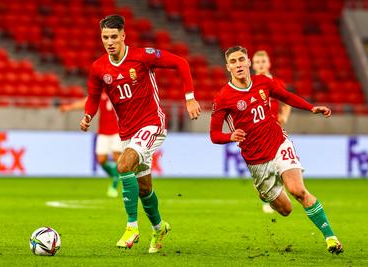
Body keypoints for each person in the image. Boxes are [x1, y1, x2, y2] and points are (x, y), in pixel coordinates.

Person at [79, 15, 201, 253]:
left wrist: (190, 98)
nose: (110, 41)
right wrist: (87, 116)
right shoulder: (98, 68)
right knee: (144, 188)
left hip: (152, 124)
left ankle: (131, 227)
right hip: (127, 132)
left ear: (123, 36)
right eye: (105, 37)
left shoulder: (142, 56)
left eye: (114, 36)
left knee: (123, 165)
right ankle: (159, 228)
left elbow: (181, 63)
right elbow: (93, 98)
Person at [210, 46, 343, 254]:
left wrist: (311, 108)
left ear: (248, 63)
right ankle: (265, 192)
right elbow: (214, 135)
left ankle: (331, 238)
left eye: (241, 60)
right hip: (256, 160)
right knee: (286, 210)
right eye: (233, 62)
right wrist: (230, 136)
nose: (238, 65)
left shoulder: (263, 82)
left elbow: (286, 97)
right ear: (228, 67)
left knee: (298, 190)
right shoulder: (223, 97)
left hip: (278, 143)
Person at [252, 50, 292, 214]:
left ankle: (276, 197)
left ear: (268, 64)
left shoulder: (277, 83)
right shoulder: (249, 83)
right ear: (253, 65)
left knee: (278, 165)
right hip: (256, 133)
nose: (261, 64)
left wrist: (284, 116)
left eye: (263, 61)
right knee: (261, 169)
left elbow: (287, 101)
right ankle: (269, 196)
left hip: (274, 131)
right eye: (258, 62)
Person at [60, 92, 121, 198]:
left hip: (117, 132)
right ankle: (117, 176)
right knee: (101, 160)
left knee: (117, 159)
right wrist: (69, 107)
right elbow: (87, 102)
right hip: (103, 132)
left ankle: (114, 186)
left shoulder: (119, 91)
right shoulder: (101, 94)